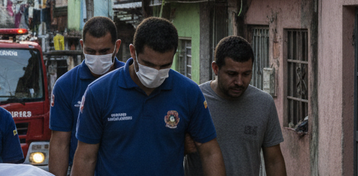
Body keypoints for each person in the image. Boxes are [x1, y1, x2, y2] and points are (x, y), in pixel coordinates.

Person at [71, 17, 226, 176]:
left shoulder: (189, 92)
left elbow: (209, 152)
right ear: (133, 52)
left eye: (164, 65)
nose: (156, 72)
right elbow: (85, 157)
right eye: (149, 64)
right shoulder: (99, 93)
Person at [184, 36, 287, 176]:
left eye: (246, 74)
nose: (239, 81)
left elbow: (274, 160)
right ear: (216, 68)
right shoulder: (194, 100)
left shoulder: (264, 103)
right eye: (232, 74)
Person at [48, 16, 124, 176]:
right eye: (90, 51)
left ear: (117, 46)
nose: (97, 57)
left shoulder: (130, 80)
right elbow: (60, 143)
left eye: (104, 51)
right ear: (82, 46)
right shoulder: (66, 85)